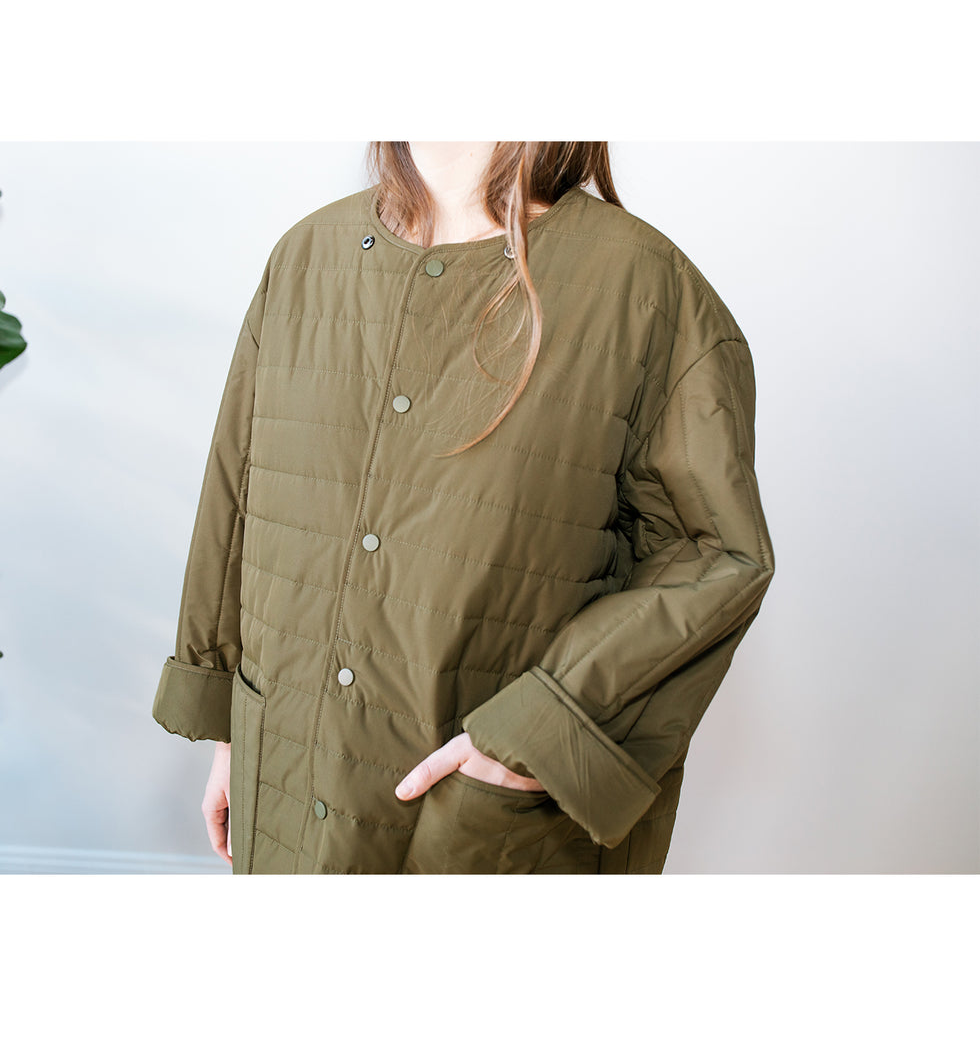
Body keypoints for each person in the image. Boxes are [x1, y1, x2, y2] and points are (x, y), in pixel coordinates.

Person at [152, 141, 775, 874]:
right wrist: (233, 733)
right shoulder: (305, 257)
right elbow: (238, 496)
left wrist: (536, 736)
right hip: (287, 775)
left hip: (482, 828)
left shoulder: (643, 287)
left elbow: (712, 553)